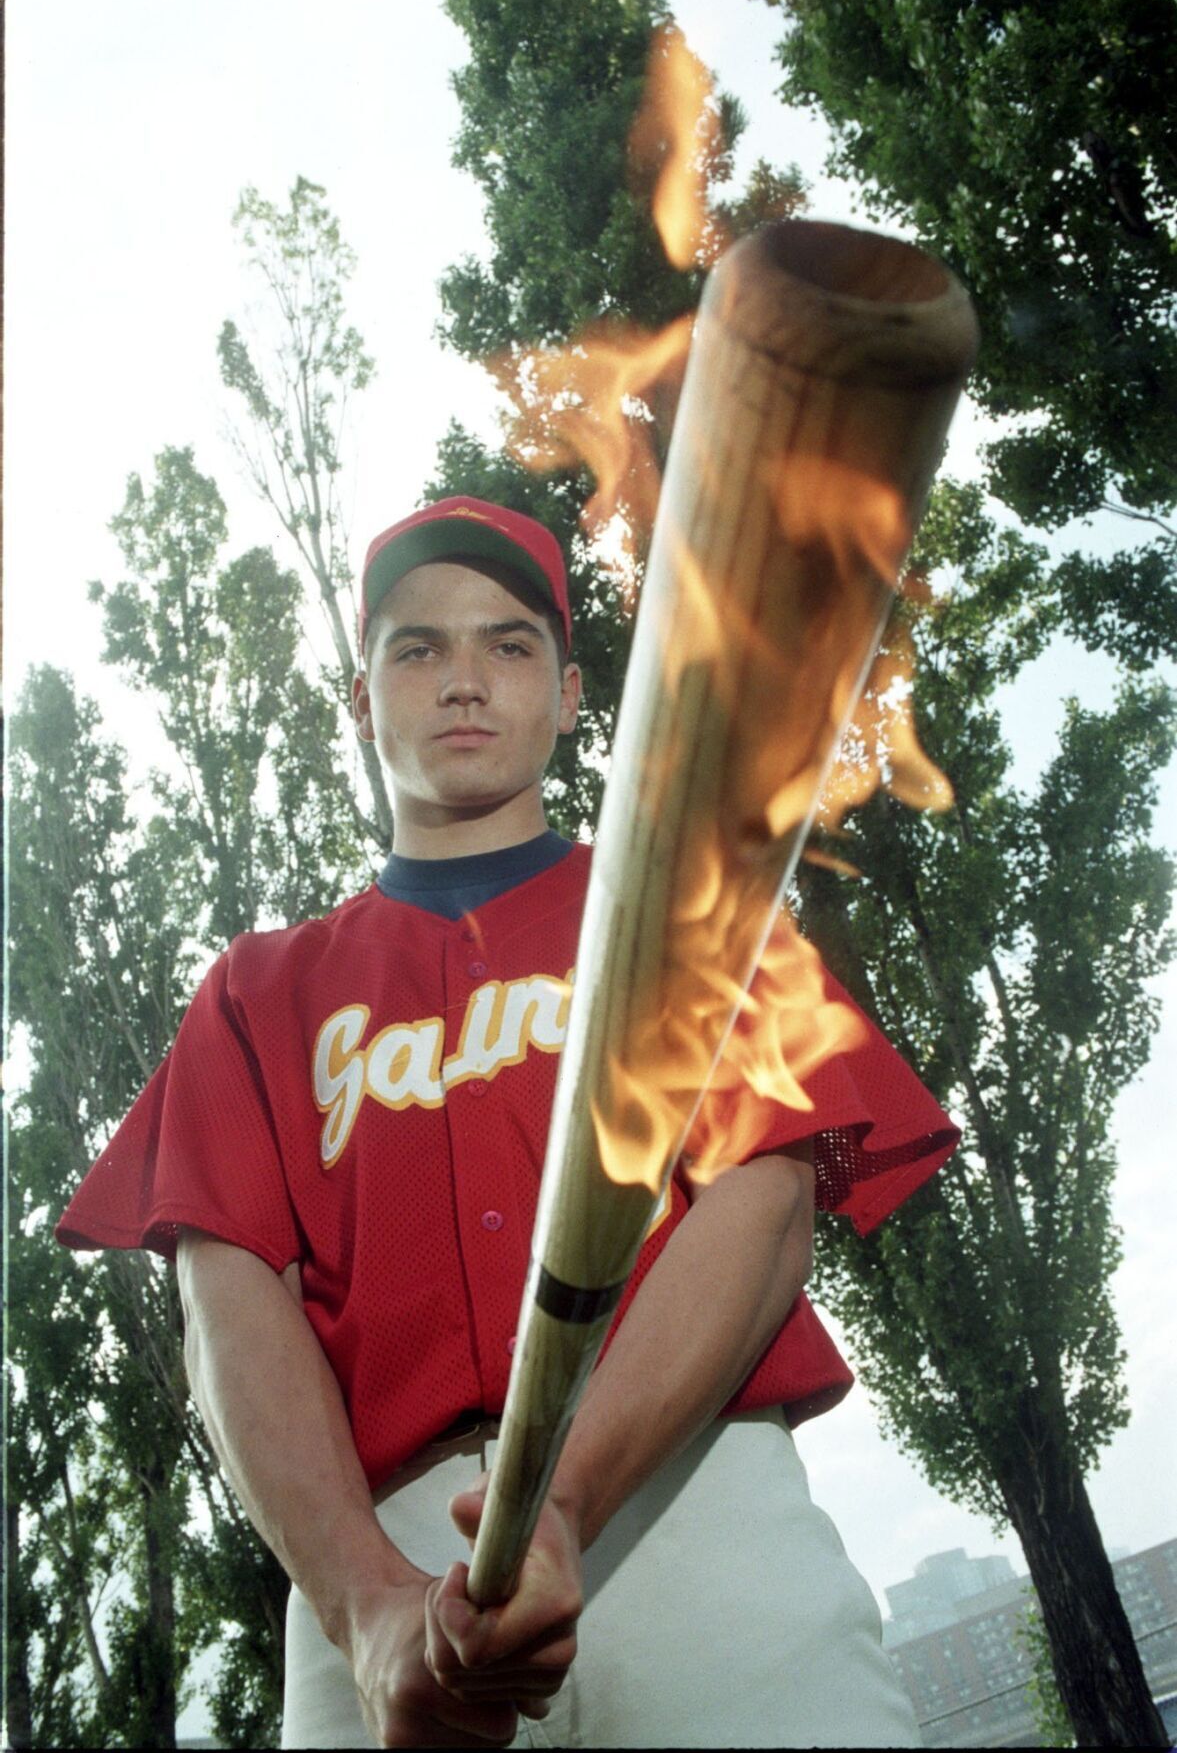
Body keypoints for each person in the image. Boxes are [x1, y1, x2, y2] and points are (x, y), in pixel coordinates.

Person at [57, 495, 959, 1749]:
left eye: (510, 642)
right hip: (381, 1562)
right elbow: (227, 1305)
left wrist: (568, 1498)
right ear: (357, 701)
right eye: (416, 648)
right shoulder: (257, 993)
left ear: (575, 691)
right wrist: (360, 1606)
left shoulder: (699, 905)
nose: (464, 679)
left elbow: (766, 1205)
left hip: (691, 1511)